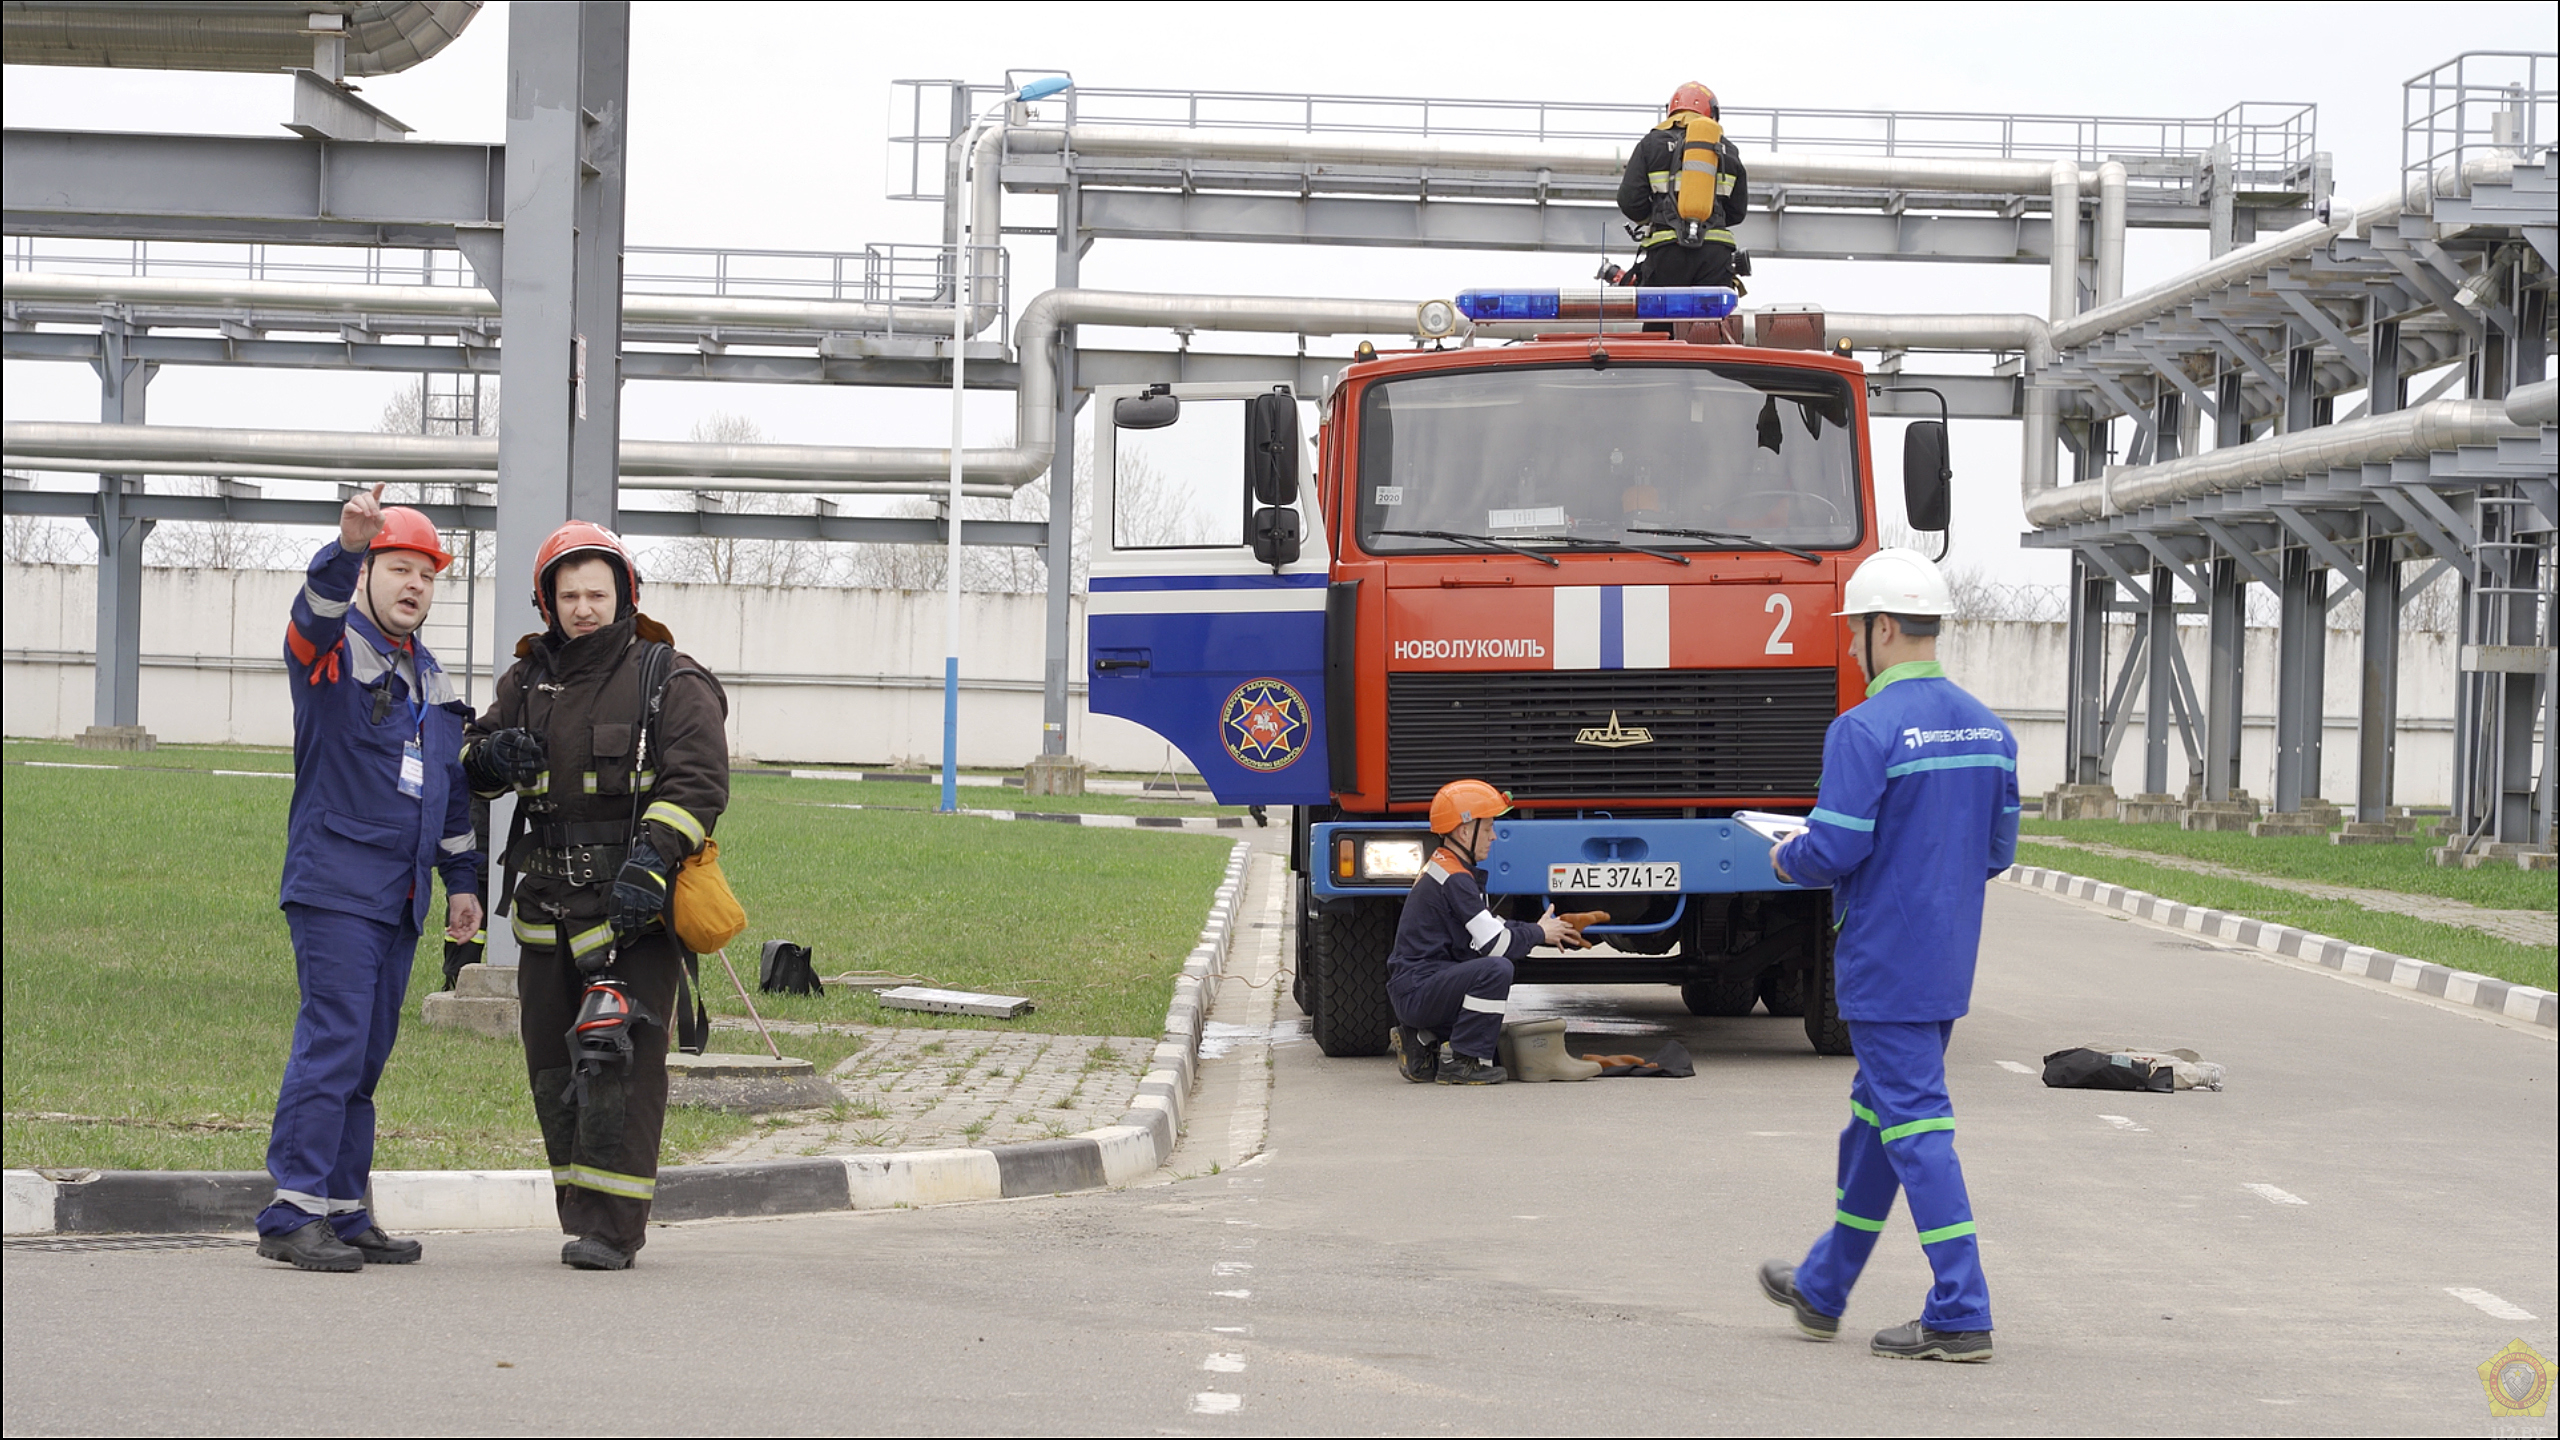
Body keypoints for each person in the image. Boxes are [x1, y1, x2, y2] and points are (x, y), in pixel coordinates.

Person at [1756, 548, 2020, 1362]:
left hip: (1881, 965)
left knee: (1915, 1128)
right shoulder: (1991, 728)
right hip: (1945, 964)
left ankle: (1960, 1310)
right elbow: (1996, 851)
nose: (1846, 650)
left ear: (1881, 628)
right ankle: (1823, 1286)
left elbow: (1833, 849)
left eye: (1851, 634)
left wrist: (1783, 855)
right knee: (1877, 1121)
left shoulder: (1861, 730)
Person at [464, 521, 729, 1271]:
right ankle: (580, 1211)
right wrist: (489, 755)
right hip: (546, 911)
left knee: (622, 1067)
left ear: (624, 597)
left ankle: (615, 1229)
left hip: (631, 913)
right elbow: (472, 771)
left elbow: (701, 781)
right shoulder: (525, 681)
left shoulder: (668, 678)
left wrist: (654, 858)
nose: (583, 607)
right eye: (569, 594)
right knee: (552, 1069)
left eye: (596, 593)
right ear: (548, 602)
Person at [257, 485, 481, 1273]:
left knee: (368, 1052)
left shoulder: (431, 677)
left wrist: (461, 877)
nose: (414, 585)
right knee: (335, 1041)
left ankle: (344, 1208)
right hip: (335, 885)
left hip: (401, 896)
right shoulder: (330, 650)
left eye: (427, 574)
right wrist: (345, 547)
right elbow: (309, 616)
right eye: (398, 569)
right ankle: (294, 1209)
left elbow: (448, 789)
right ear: (368, 576)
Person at [1385, 779, 1585, 1086]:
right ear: (1465, 830)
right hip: (1419, 992)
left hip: (1417, 988)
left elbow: (1489, 929)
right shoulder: (1455, 878)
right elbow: (1497, 944)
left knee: (1486, 980)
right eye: (1488, 827)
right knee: (1496, 969)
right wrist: (1539, 933)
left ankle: (1422, 1041)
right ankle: (1463, 1062)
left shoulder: (1451, 870)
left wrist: (1539, 929)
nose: (1493, 836)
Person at [1616, 81, 1749, 290]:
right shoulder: (1728, 150)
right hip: (1715, 253)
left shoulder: (1651, 144)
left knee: (1662, 319)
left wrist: (1657, 216)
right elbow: (1737, 211)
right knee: (1708, 321)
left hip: (1666, 250)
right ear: (1711, 113)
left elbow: (1630, 200)